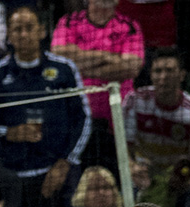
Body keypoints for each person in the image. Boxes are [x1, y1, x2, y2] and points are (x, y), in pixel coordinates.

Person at [0, 6, 90, 207]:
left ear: (42, 31)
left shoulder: (64, 69)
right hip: (11, 176)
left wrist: (65, 162)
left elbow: (83, 119)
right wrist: (8, 133)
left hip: (56, 172)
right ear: (9, 35)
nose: (23, 34)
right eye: (17, 29)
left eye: (29, 28)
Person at [51, 0, 144, 174]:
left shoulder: (129, 26)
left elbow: (131, 67)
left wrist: (81, 63)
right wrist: (107, 56)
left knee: (118, 177)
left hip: (117, 120)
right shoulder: (69, 22)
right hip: (77, 119)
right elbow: (60, 59)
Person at [122, 48, 190, 181]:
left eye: (169, 71)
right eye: (158, 71)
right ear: (151, 75)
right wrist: (132, 167)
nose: (163, 77)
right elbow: (124, 148)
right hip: (141, 177)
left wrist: (183, 184)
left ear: (182, 75)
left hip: (180, 180)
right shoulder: (135, 101)